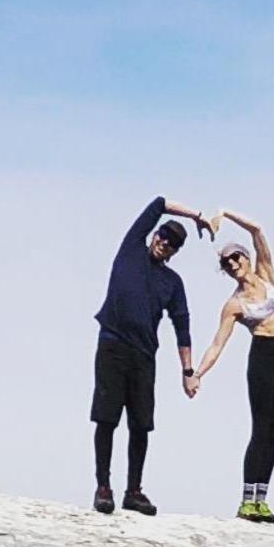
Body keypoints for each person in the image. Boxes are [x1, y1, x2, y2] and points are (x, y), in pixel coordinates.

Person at [90, 193, 208, 516]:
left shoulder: (172, 282)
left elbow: (182, 327)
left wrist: (188, 372)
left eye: (172, 244)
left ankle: (134, 491)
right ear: (155, 235)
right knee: (106, 417)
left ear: (174, 252)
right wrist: (196, 215)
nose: (164, 244)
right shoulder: (132, 249)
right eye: (163, 236)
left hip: (144, 356)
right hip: (112, 345)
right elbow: (159, 202)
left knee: (141, 424)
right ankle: (103, 486)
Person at [185, 207, 274, 522]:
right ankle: (247, 499)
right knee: (260, 428)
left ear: (247, 259)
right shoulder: (234, 304)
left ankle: (262, 499)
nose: (233, 264)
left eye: (236, 258)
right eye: (227, 263)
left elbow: (258, 230)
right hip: (262, 355)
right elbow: (217, 343)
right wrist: (196, 374)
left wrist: (224, 213)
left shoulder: (267, 274)